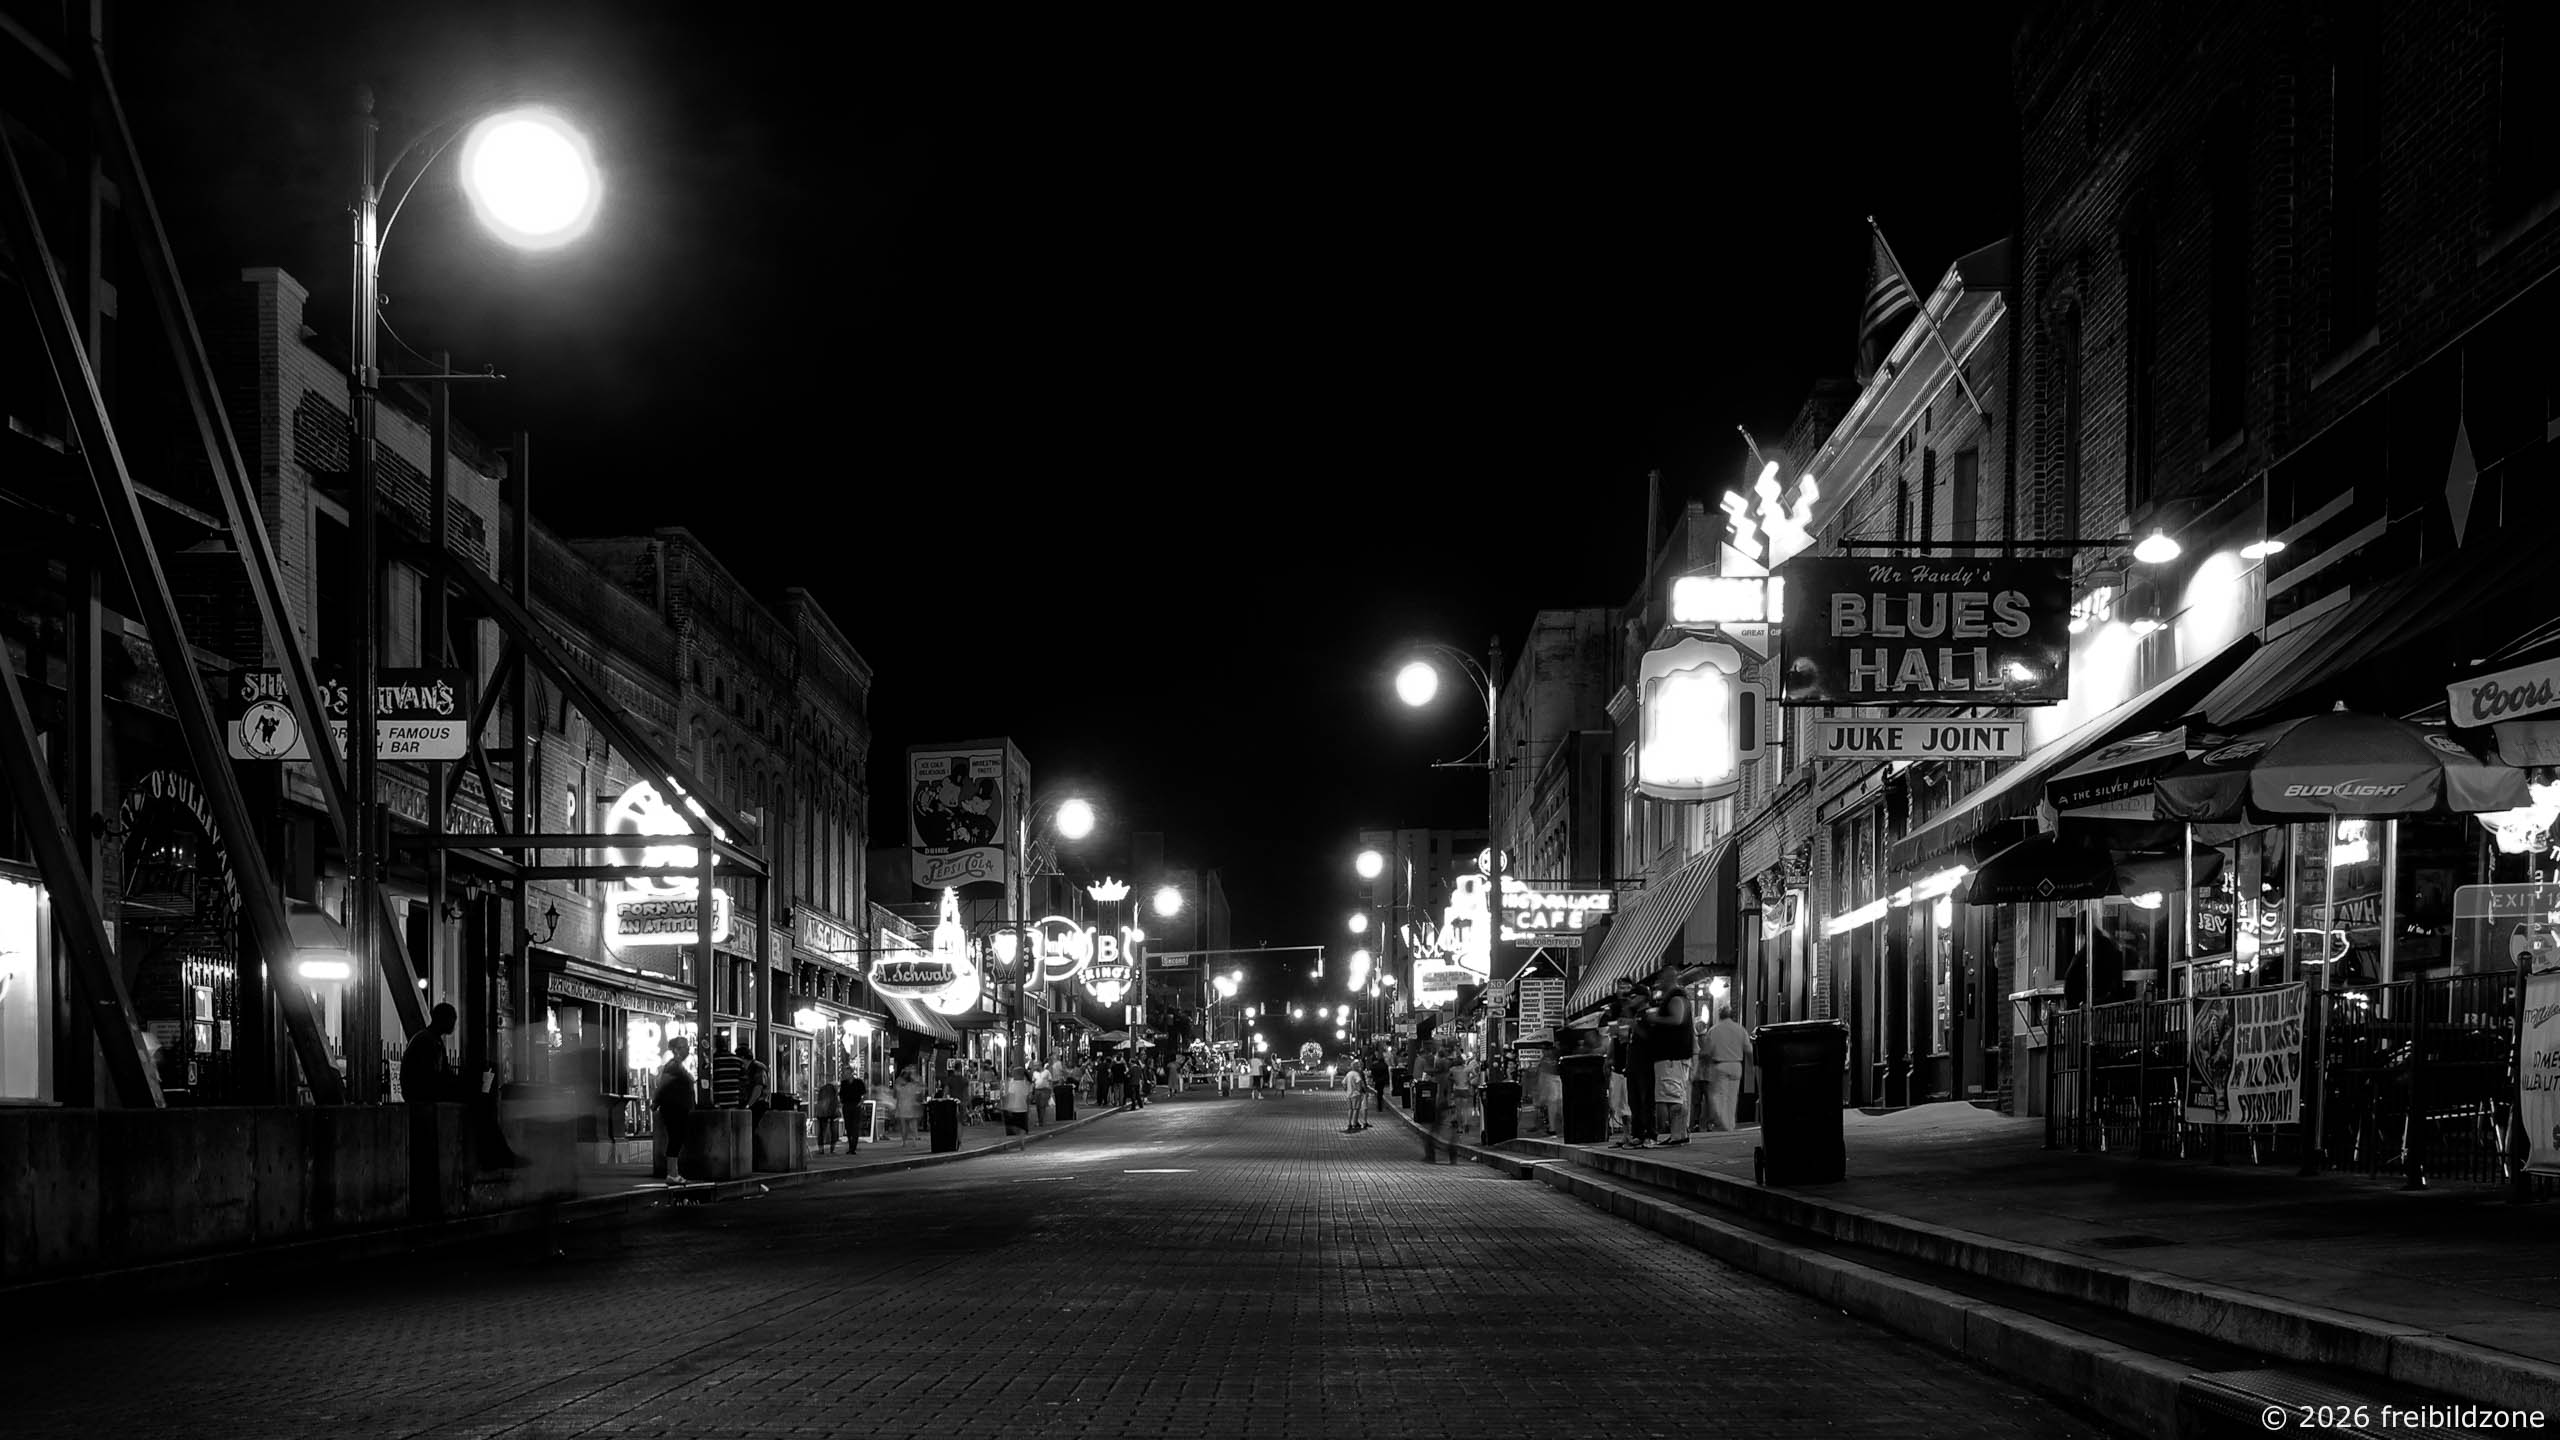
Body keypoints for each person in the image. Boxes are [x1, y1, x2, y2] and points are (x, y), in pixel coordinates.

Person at [401, 1003, 457, 1217]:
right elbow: (437, 1079)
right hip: (423, 1101)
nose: (454, 1024)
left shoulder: (427, 1039)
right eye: (452, 1019)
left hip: (420, 1099)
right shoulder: (429, 1042)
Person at [1645, 978, 1695, 1147]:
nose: (1658, 986)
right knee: (1675, 1094)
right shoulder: (1677, 997)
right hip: (1672, 1057)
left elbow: (1677, 1019)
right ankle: (1679, 1133)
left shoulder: (1676, 997)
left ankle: (1678, 1134)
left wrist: (1654, 1018)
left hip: (1671, 1057)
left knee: (1673, 1095)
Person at [651, 1035, 696, 1186]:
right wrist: (655, 1101)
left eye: (688, 1046)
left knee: (677, 1138)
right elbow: (663, 1085)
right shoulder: (673, 1066)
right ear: (676, 1049)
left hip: (679, 1107)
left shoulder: (678, 1065)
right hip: (674, 1108)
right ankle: (672, 1173)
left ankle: (674, 1172)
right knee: (675, 1138)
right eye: (684, 1047)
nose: (688, 1050)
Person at [1701, 1005, 1750, 1132]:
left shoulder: (1714, 1030)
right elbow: (1749, 1049)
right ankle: (1731, 1124)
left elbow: (1706, 1052)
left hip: (1720, 1066)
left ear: (1719, 1015)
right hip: (1736, 1065)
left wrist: (1704, 1062)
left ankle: (1724, 1126)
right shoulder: (1740, 1029)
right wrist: (1752, 1065)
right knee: (1732, 1097)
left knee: (1720, 1097)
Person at [710, 1032, 745, 1109]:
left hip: (718, 1102)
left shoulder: (713, 1060)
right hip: (735, 1101)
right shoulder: (738, 1060)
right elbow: (743, 1081)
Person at [893, 1066, 924, 1148]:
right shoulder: (914, 1085)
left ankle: (904, 1142)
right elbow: (919, 1095)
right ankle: (914, 1140)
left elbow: (895, 1095)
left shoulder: (898, 1084)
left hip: (901, 1106)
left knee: (903, 1126)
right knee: (913, 1125)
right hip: (912, 1106)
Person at [841, 1068, 869, 1154]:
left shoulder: (858, 1082)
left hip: (855, 1105)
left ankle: (853, 1147)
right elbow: (841, 1094)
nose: (845, 1075)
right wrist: (842, 1103)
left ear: (851, 1073)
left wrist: (861, 1102)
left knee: (855, 1126)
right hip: (846, 1106)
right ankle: (850, 1145)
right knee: (848, 1127)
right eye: (844, 1073)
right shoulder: (844, 1083)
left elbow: (864, 1093)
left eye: (846, 1073)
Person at [813, 1078, 842, 1155]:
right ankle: (832, 1149)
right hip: (831, 1113)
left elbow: (819, 1101)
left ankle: (821, 1149)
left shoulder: (822, 1090)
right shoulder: (833, 1092)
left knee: (821, 1132)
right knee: (833, 1131)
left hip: (821, 1113)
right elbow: (835, 1103)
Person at [1343, 1055, 1371, 1132]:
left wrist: (1346, 1089)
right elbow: (1360, 1083)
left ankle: (1349, 1123)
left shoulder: (1348, 1074)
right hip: (1356, 1094)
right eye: (1358, 1066)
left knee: (1350, 1109)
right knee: (1356, 1109)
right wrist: (1361, 1090)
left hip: (1349, 1094)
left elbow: (1344, 1083)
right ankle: (1354, 1123)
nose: (1359, 1067)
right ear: (1355, 1067)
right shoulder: (1356, 1074)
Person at [1004, 1066, 1033, 1135]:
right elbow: (1029, 1098)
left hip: (1014, 1109)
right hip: (1022, 1109)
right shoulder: (1027, 1084)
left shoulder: (1012, 1083)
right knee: (1021, 1130)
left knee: (1013, 1131)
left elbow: (1009, 1096)